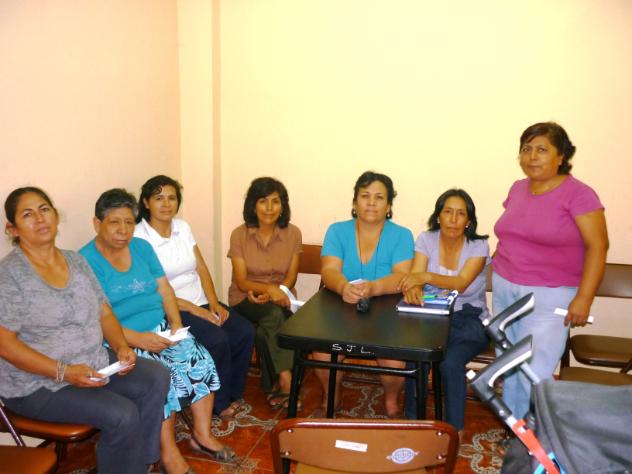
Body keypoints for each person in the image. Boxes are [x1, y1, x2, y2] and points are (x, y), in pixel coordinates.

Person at [0, 187, 171, 474]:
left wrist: (121, 347)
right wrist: (64, 372)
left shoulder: (75, 260)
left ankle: (141, 462)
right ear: (13, 229)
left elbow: (104, 311)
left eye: (44, 209)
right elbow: (5, 345)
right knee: (122, 414)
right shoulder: (9, 276)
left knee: (155, 377)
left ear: (55, 216)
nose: (40, 219)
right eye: (28, 214)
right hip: (37, 384)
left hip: (92, 363)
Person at [80, 189, 235, 474]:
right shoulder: (86, 261)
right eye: (114, 222)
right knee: (164, 380)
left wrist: (175, 324)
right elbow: (97, 318)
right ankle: (168, 453)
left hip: (160, 328)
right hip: (120, 339)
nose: (123, 230)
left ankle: (201, 435)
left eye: (129, 222)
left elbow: (164, 289)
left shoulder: (141, 247)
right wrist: (139, 339)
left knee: (201, 360)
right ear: (96, 223)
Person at [493, 122, 608, 419]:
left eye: (542, 149)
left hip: (550, 296)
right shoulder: (517, 188)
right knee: (509, 363)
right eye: (526, 149)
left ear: (561, 156)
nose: (532, 156)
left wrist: (584, 298)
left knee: (534, 370)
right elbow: (512, 234)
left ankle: (537, 432)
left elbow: (598, 247)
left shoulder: (579, 194)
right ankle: (515, 428)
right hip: (505, 288)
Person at [135, 175, 255, 420]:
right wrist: (198, 311)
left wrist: (213, 302)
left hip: (200, 300)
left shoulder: (183, 227)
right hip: (170, 308)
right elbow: (155, 290)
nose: (166, 204)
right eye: (159, 198)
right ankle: (218, 404)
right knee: (217, 339)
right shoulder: (139, 238)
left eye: (171, 198)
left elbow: (200, 267)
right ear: (146, 202)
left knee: (244, 331)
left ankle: (232, 392)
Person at [316, 171, 414, 418]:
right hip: (341, 306)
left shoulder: (402, 235)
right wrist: (343, 287)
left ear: (388, 206)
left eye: (379, 197)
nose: (371, 203)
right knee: (323, 352)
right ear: (354, 202)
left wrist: (373, 288)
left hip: (386, 311)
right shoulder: (336, 231)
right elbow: (329, 270)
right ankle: (331, 395)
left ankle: (391, 401)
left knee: (394, 360)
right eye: (365, 196)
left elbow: (401, 276)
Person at [399, 189, 490, 438]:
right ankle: (412, 421)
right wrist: (413, 289)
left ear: (468, 221)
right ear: (438, 216)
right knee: (416, 356)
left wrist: (424, 277)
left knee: (450, 363)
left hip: (470, 318)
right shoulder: (426, 239)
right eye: (448, 212)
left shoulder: (479, 245)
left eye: (460, 214)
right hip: (432, 316)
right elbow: (415, 277)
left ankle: (454, 430)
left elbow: (461, 284)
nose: (453, 219)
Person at [227, 177, 302, 410]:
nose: (269, 208)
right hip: (244, 298)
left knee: (265, 331)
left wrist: (276, 292)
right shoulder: (239, 235)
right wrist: (266, 290)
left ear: (283, 206)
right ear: (253, 205)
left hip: (282, 297)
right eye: (263, 201)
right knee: (273, 316)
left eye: (275, 201)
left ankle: (272, 386)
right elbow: (241, 281)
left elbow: (291, 277)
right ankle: (287, 381)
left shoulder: (293, 233)